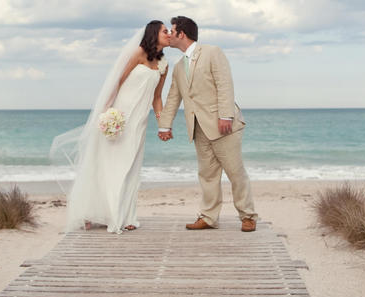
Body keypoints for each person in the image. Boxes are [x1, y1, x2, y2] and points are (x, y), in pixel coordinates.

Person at [51, 21, 170, 234]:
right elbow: (117, 82)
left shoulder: (164, 65)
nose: (169, 34)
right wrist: (106, 113)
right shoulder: (138, 54)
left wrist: (163, 123)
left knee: (132, 168)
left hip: (139, 122)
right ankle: (108, 215)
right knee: (112, 165)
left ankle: (127, 215)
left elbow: (157, 98)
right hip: (119, 117)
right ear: (154, 33)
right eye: (165, 31)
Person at [158, 16, 257, 232]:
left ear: (181, 34)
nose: (169, 35)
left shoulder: (212, 52)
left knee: (235, 172)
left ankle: (248, 216)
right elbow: (174, 97)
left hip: (223, 125)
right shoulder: (177, 67)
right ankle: (209, 217)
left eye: (171, 31)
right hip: (198, 128)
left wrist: (226, 115)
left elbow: (224, 84)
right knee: (207, 175)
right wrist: (165, 125)